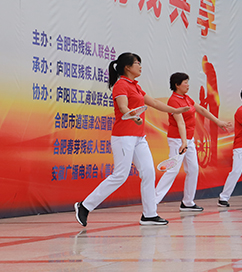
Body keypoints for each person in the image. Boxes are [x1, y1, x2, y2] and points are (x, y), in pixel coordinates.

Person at [74, 53, 190, 227]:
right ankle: (84, 206)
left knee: (149, 173)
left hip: (138, 137)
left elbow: (155, 104)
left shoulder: (136, 86)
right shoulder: (121, 85)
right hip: (123, 137)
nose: (140, 66)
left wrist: (177, 110)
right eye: (137, 63)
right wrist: (133, 116)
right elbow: (123, 107)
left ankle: (149, 215)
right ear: (127, 67)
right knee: (120, 175)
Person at [154, 72, 233, 212]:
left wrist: (217, 121)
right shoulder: (173, 101)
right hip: (177, 140)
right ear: (177, 85)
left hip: (188, 140)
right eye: (185, 82)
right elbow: (180, 123)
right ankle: (153, 201)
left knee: (193, 169)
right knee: (173, 170)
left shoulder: (186, 98)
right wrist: (183, 142)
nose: (188, 85)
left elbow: (201, 109)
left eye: (188, 82)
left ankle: (187, 202)